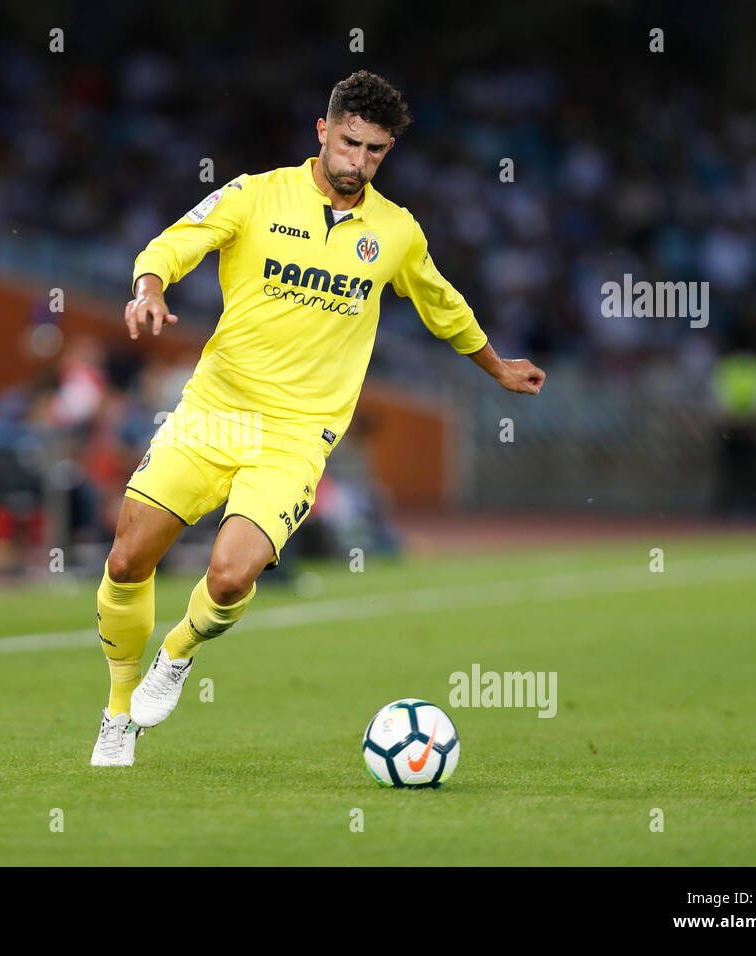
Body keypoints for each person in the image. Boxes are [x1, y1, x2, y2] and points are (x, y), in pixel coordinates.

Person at [90, 71, 546, 766]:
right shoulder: (254, 193)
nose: (358, 162)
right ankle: (117, 714)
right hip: (214, 412)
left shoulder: (395, 232)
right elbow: (172, 243)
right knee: (126, 560)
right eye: (350, 143)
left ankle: (177, 654)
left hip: (297, 435)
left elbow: (442, 305)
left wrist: (499, 366)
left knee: (230, 577)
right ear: (323, 132)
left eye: (375, 152)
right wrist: (148, 290)